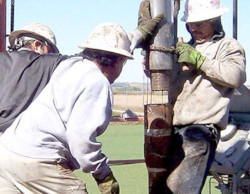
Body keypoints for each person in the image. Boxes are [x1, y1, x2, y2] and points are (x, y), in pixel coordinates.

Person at [0, 23, 133, 194]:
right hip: (37, 159)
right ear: (119, 61)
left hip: (6, 154)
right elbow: (81, 140)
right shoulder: (97, 82)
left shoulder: (69, 66)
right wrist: (103, 175)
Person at [131, 0, 246, 193]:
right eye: (191, 24)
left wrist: (199, 60)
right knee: (161, 189)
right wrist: (152, 63)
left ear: (215, 20)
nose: (194, 29)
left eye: (200, 24)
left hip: (200, 131)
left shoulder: (227, 46)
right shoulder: (182, 50)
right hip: (173, 129)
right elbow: (169, 85)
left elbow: (236, 76)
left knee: (179, 190)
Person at [0, 23, 68, 135]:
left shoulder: (2, 60)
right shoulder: (48, 63)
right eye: (50, 52)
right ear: (37, 45)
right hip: (20, 142)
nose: (50, 56)